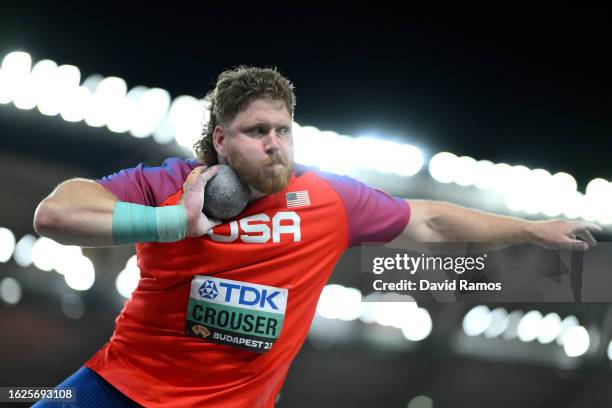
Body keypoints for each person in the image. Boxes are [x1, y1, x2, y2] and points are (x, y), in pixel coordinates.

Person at [32, 66, 601, 407]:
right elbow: (54, 216)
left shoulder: (329, 200)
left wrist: (530, 228)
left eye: (284, 129)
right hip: (116, 388)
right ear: (221, 141)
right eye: (257, 131)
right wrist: (172, 223)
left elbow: (428, 220)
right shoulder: (171, 186)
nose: (276, 143)